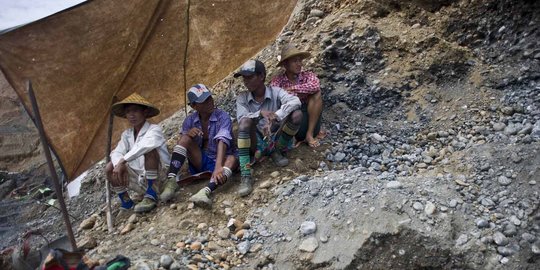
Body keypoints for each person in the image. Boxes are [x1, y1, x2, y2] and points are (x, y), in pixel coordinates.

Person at [160, 84, 238, 208]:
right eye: (204, 101)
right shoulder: (189, 121)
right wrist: (188, 135)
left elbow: (222, 141)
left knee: (232, 158)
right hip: (201, 161)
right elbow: (181, 145)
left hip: (221, 161)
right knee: (185, 138)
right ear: (194, 106)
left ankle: (206, 191)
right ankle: (171, 180)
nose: (209, 102)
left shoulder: (222, 116)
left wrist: (218, 167)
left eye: (209, 98)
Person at [234, 59, 302, 196]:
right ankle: (246, 175)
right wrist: (259, 115)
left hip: (275, 135)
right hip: (255, 141)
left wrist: (276, 116)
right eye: (244, 78)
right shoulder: (242, 97)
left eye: (249, 77)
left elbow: (296, 101)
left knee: (297, 114)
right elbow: (241, 118)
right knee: (245, 122)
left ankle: (277, 150)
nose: (245, 81)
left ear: (261, 76)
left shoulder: (276, 92)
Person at [106, 93, 170, 213]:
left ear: (144, 112)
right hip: (141, 179)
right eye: (128, 112)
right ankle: (126, 201)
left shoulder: (154, 129)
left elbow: (145, 146)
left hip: (160, 178)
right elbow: (116, 152)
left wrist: (123, 161)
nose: (131, 115)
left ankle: (152, 193)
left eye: (135, 111)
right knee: (109, 167)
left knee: (150, 152)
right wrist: (119, 164)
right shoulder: (127, 134)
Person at [271, 44, 323, 147]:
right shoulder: (278, 81)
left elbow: (315, 85)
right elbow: (275, 95)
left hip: (309, 117)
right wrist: (297, 95)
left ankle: (309, 134)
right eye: (295, 61)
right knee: (289, 104)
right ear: (285, 65)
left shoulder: (307, 75)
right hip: (292, 118)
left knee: (317, 94)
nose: (299, 64)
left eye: (300, 61)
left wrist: (292, 89)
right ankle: (289, 138)